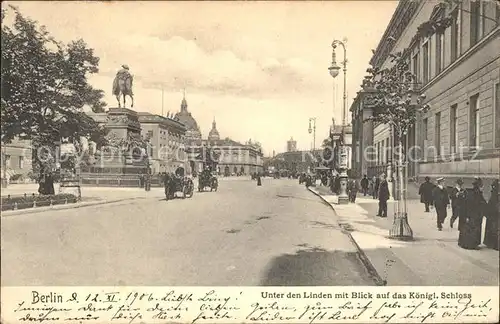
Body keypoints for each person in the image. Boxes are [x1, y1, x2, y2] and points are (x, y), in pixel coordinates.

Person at [459, 177, 487, 249]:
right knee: (474, 230)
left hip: (472, 215)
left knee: (471, 229)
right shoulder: (476, 194)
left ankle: (469, 244)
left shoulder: (472, 193)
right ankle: (472, 245)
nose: (482, 187)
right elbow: (478, 204)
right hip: (474, 215)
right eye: (482, 186)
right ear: (479, 186)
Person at [483, 179, 499, 250]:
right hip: (495, 216)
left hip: (492, 215)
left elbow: (490, 205)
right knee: (495, 230)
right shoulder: (495, 195)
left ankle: (490, 243)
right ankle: (494, 244)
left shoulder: (493, 194)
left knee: (492, 229)